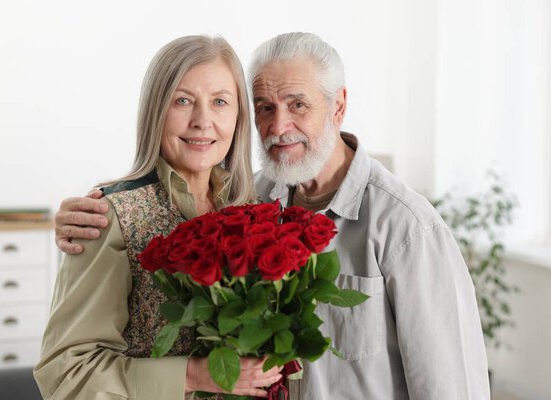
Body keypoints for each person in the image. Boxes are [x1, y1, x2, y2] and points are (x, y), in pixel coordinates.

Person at [54, 32, 491, 399]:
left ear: (337, 106)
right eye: (264, 106)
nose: (279, 126)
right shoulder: (249, 203)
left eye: (298, 104)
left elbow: (452, 387)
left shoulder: (407, 228)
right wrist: (105, 211)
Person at [34, 35, 284, 400]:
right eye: (183, 101)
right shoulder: (109, 217)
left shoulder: (252, 211)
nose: (203, 121)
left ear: (238, 117)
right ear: (155, 111)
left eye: (219, 102)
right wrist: (195, 375)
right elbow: (68, 374)